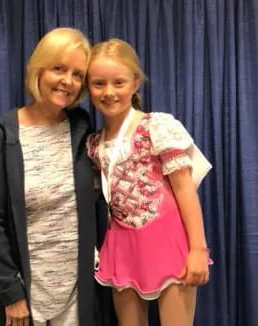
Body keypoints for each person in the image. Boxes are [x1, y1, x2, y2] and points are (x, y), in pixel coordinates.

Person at [0, 27, 99, 326]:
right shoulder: (2, 136)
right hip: (26, 298)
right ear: (39, 69)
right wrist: (11, 293)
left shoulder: (82, 128)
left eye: (77, 74)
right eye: (59, 68)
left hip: (77, 297)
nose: (67, 81)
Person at [85, 38, 213, 326]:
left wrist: (198, 250)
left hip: (168, 242)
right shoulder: (93, 144)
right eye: (98, 84)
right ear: (88, 88)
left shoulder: (157, 127)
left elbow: (184, 190)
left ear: (135, 82)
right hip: (121, 246)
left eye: (118, 82)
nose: (108, 92)